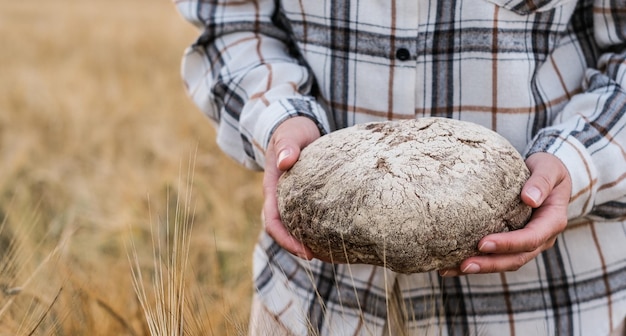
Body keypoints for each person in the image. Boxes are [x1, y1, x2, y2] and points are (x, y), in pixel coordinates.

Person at [175, 0, 626, 334]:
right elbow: (229, 24)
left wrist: (575, 161)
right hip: (311, 303)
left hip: (548, 307)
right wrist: (278, 119)